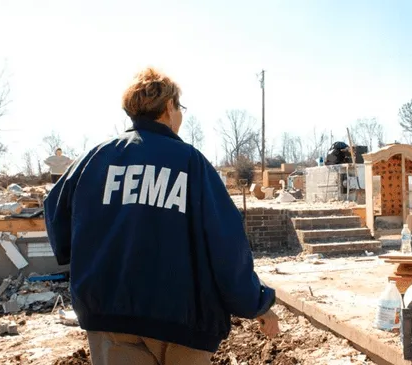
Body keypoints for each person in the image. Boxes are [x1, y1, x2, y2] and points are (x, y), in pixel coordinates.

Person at [44, 67, 279, 365]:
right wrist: (255, 304)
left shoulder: (94, 159)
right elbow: (226, 246)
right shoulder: (191, 164)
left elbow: (55, 214)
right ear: (169, 107)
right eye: (179, 107)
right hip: (181, 322)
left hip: (108, 316)